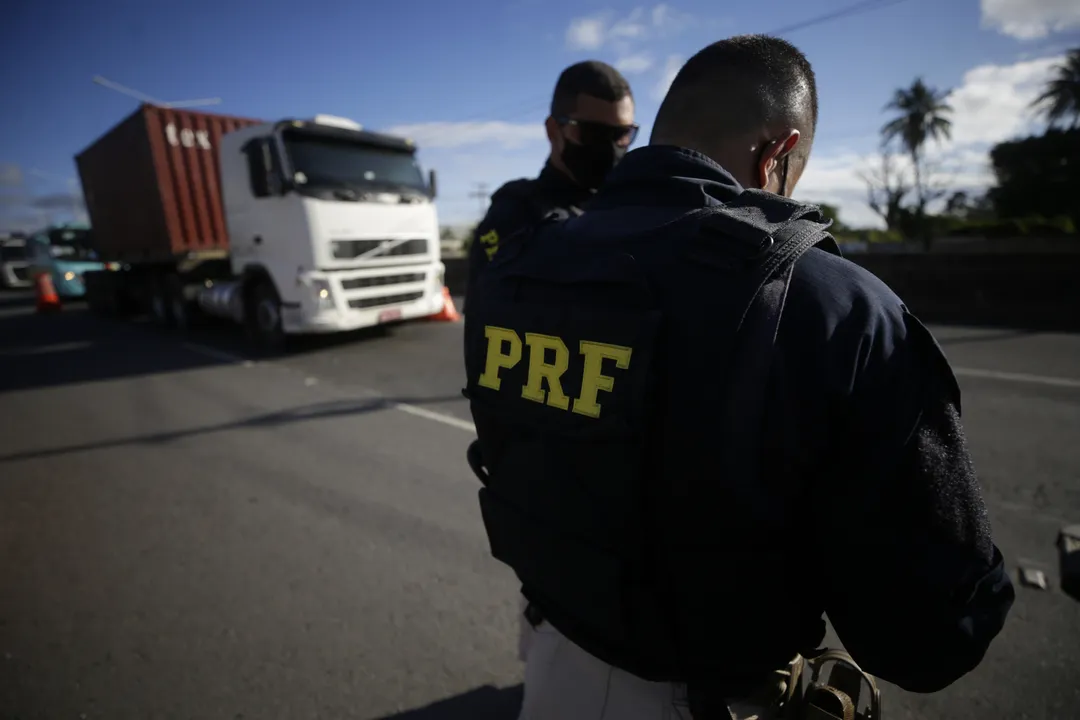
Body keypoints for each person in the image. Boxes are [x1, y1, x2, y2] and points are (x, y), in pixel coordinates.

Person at [462, 34, 1015, 720]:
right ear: (776, 154)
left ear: (653, 136)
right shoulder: (833, 305)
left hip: (551, 661)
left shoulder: (519, 262)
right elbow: (929, 638)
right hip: (707, 696)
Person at [463, 60, 638, 312]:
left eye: (622, 134)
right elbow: (485, 334)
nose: (610, 150)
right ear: (553, 129)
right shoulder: (514, 219)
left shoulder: (632, 209)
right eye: (591, 133)